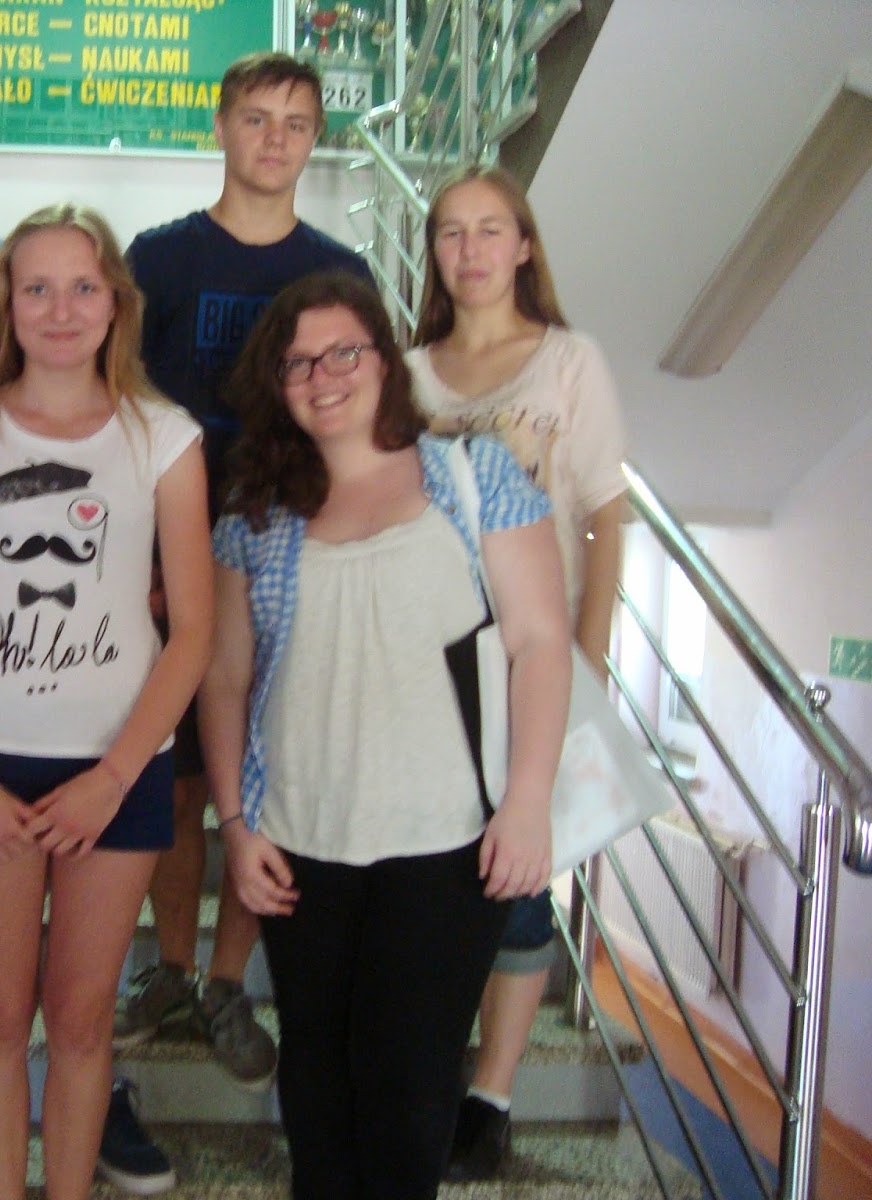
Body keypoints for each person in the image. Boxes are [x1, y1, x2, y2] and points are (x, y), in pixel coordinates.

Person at [198, 270, 571, 1199]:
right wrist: (235, 826)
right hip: (301, 840)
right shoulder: (254, 510)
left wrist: (528, 803)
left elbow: (539, 643)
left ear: (384, 359)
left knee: (407, 1095)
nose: (323, 377)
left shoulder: (473, 476)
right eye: (297, 363)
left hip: (447, 844)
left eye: (344, 353)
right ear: (275, 384)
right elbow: (226, 677)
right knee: (317, 1091)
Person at [0, 204, 212, 1200]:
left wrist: (113, 779)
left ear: (116, 302)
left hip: (119, 768)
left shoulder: (165, 437)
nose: (61, 309)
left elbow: (193, 631)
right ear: (8, 303)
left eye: (82, 287)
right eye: (37, 288)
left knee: (79, 1023)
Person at [117, 51, 373, 1089]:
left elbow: (362, 429)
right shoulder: (160, 259)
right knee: (173, 782)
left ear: (315, 141)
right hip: (169, 562)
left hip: (286, 558)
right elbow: (121, 408)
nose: (275, 139)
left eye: (296, 123)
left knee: (261, 780)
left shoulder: (341, 273)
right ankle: (173, 971)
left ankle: (228, 982)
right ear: (219, 127)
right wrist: (132, 558)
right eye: (257, 118)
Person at [407, 165, 629, 1180]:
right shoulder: (405, 372)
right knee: (436, 877)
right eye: (451, 232)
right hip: (426, 670)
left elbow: (605, 516)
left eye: (491, 229)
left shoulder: (570, 362)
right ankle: (422, 1072)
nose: (471, 250)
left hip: (531, 661)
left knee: (521, 883)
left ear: (525, 245)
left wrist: (586, 656)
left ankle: (489, 1096)